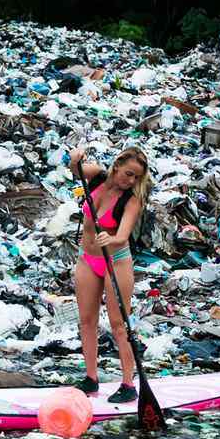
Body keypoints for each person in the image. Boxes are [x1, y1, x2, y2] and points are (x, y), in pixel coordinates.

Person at [69, 146, 153, 403]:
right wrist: (75, 159)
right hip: (88, 258)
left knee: (119, 325)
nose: (131, 181)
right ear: (117, 166)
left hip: (115, 261)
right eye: (128, 174)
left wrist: (112, 238)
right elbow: (76, 171)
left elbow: (123, 235)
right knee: (86, 320)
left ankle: (128, 384)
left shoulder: (132, 199)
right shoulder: (95, 176)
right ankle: (91, 379)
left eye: (136, 177)